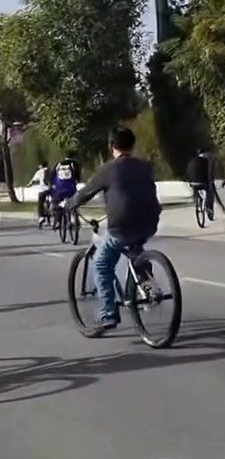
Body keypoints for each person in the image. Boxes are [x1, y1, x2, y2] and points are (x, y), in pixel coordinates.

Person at [64, 126, 161, 333]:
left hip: (122, 226)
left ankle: (108, 314)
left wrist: (68, 205)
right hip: (150, 222)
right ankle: (146, 281)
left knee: (101, 264)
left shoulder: (109, 169)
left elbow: (85, 193)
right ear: (133, 145)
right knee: (135, 246)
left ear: (111, 147)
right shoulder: (146, 167)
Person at [186, 148, 215, 221]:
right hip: (202, 182)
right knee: (210, 192)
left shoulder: (191, 161)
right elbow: (209, 173)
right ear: (205, 154)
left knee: (196, 190)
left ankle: (197, 200)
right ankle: (209, 208)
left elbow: (188, 172)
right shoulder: (206, 161)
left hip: (192, 183)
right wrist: (211, 180)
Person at [32, 161, 51, 227]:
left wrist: (29, 184)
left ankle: (41, 217)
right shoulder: (51, 171)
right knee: (51, 202)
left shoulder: (39, 171)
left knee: (40, 203)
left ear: (41, 165)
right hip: (51, 190)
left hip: (42, 190)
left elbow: (33, 180)